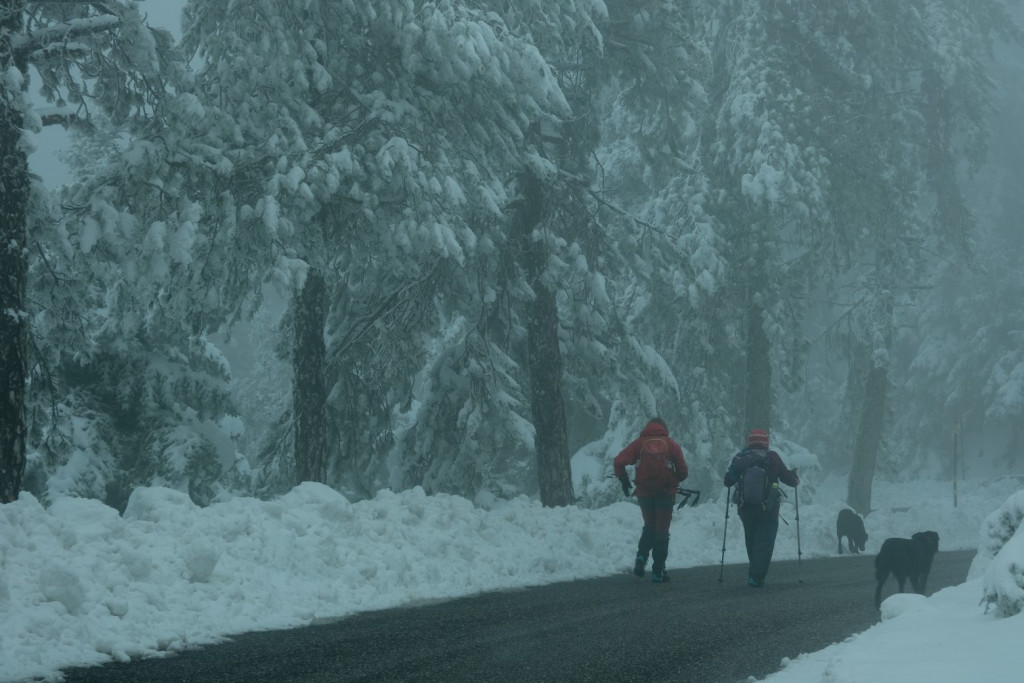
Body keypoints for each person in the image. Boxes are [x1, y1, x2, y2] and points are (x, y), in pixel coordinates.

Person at [614, 417, 688, 582]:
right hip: (665, 493)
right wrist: (674, 480)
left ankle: (641, 557)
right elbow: (683, 471)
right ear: (664, 428)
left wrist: (624, 480)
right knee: (661, 529)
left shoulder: (639, 444)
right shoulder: (670, 444)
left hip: (645, 494)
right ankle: (657, 571)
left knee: (649, 525)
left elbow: (618, 461)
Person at [724, 428, 799, 587]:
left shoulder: (742, 458)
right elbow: (790, 480)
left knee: (751, 539)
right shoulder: (772, 457)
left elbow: (728, 481)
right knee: (764, 541)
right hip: (768, 509)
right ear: (766, 442)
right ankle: (756, 576)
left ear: (750, 442)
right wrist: (795, 477)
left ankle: (755, 571)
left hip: (746, 508)